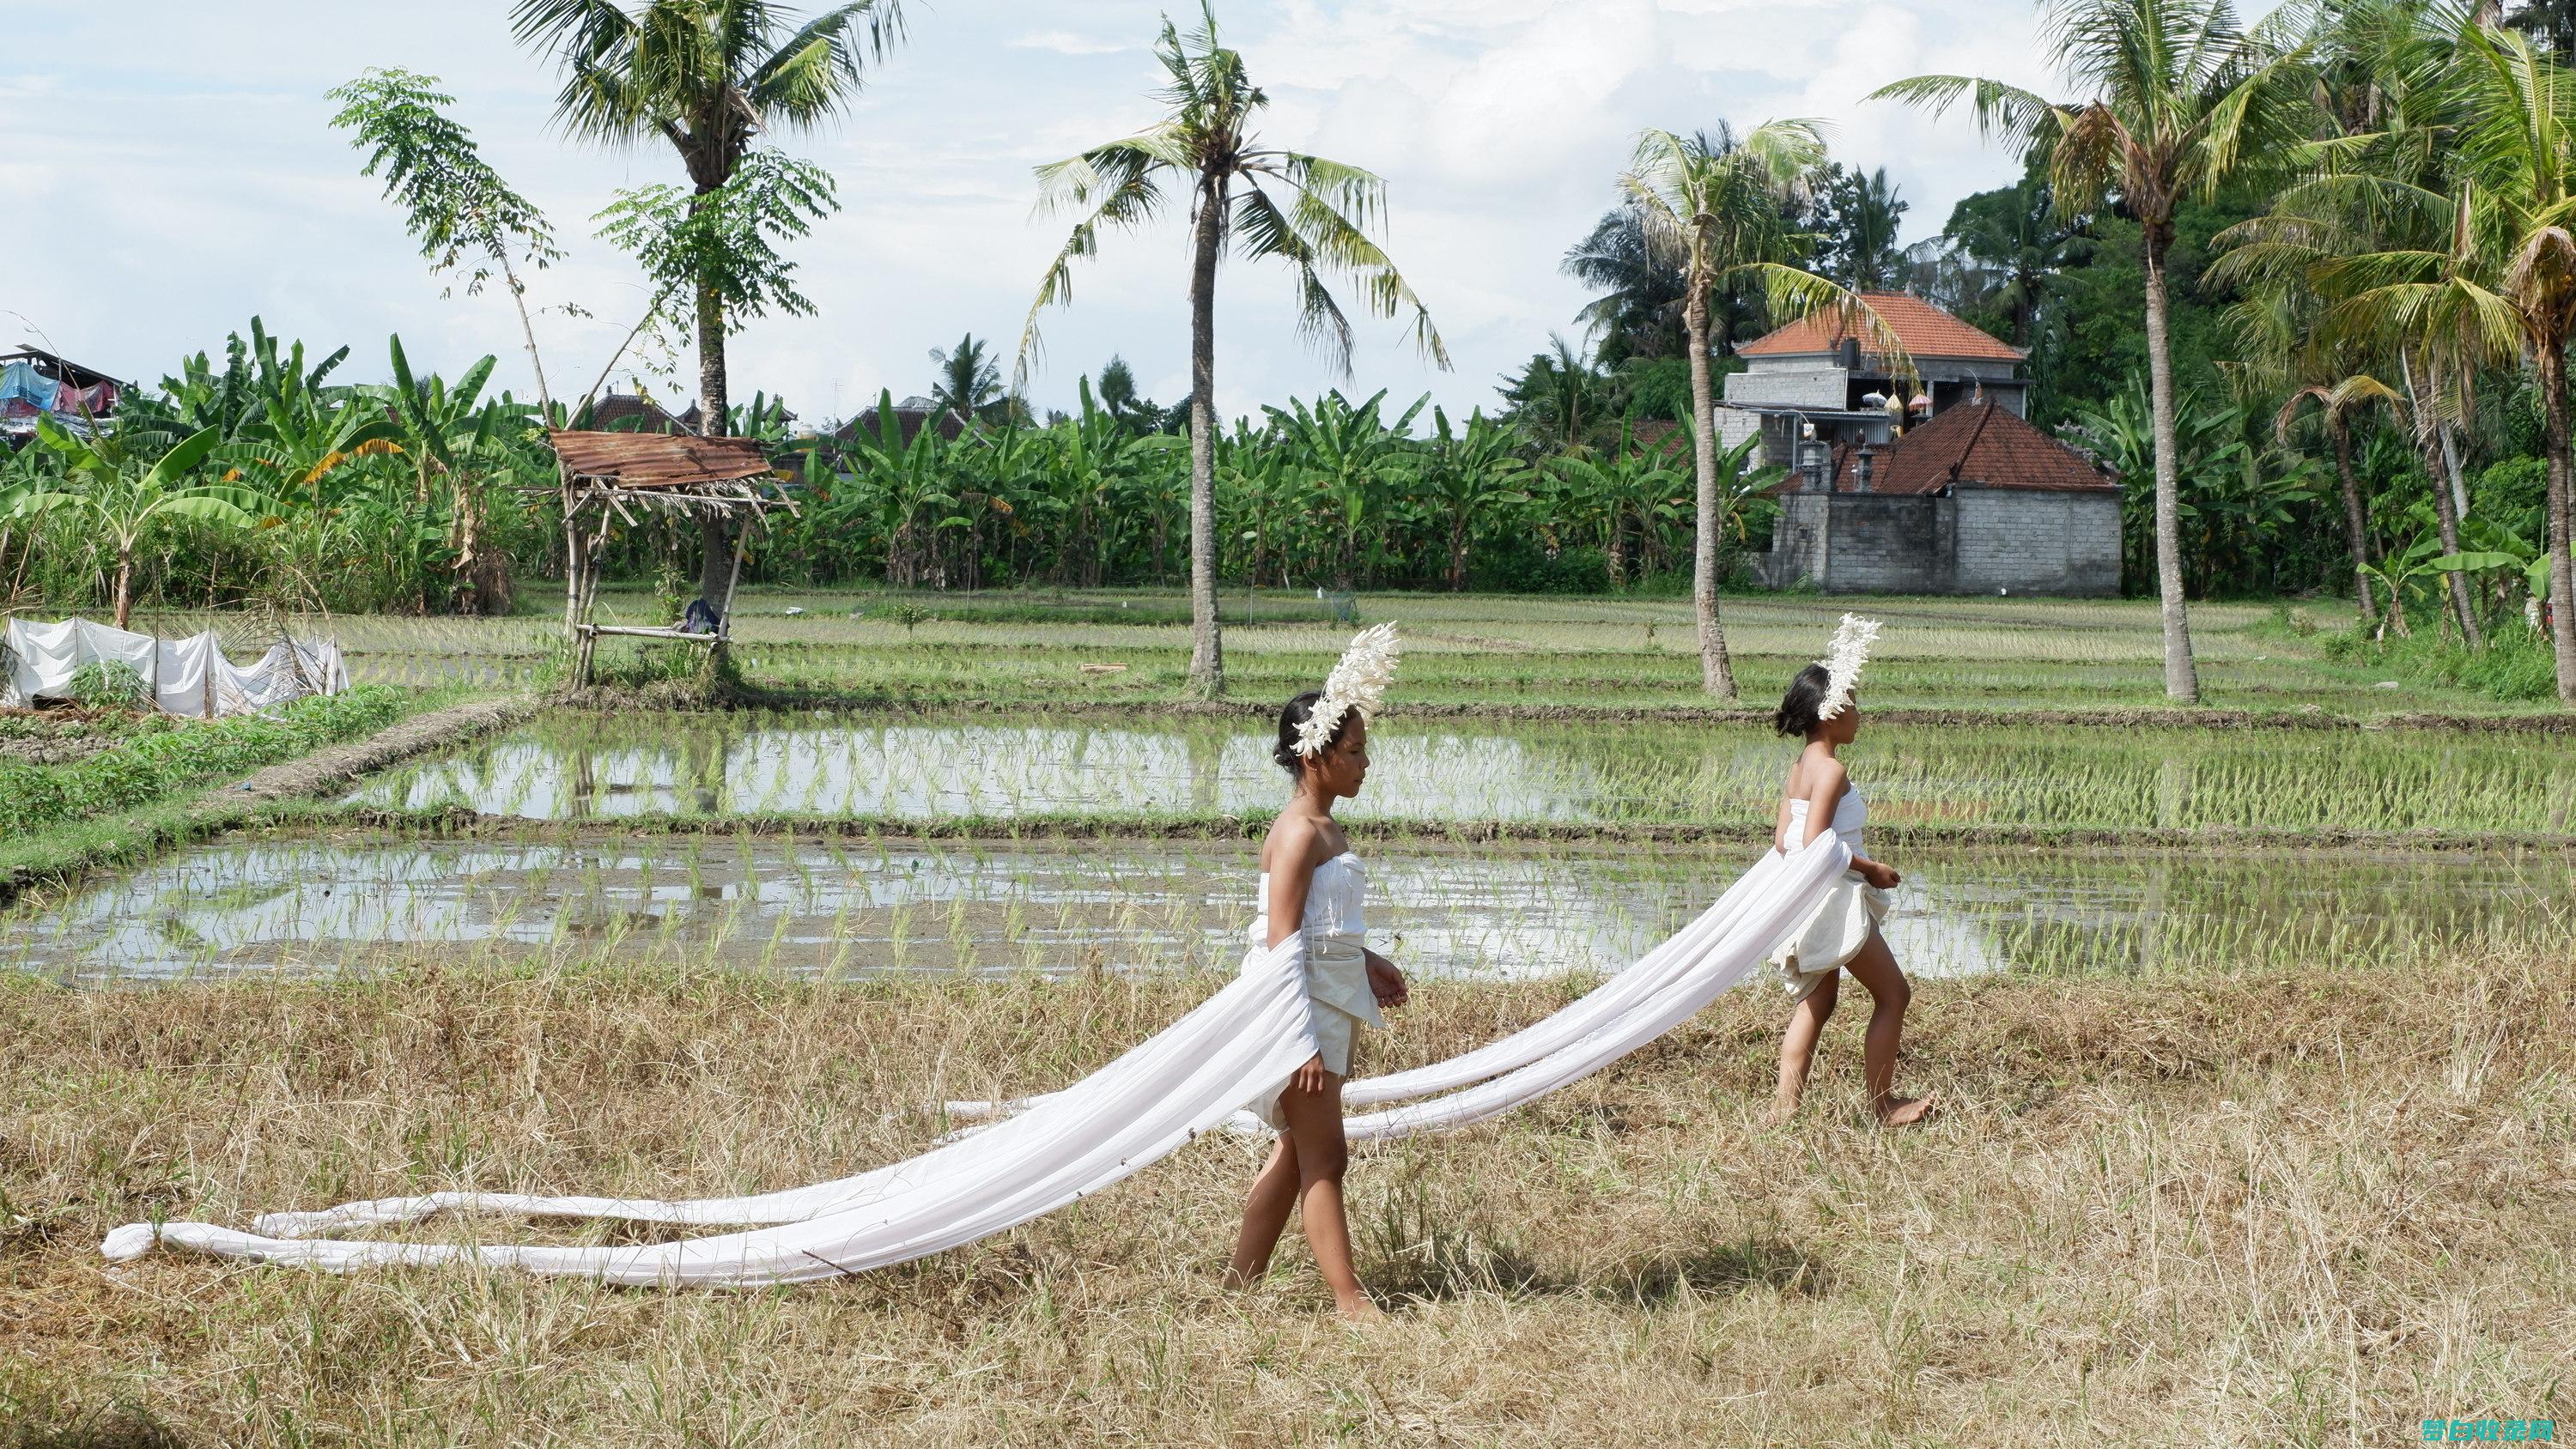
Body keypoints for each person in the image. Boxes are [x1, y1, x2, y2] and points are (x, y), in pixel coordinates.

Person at [1224, 684, 1410, 1319]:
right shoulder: (1299, 833)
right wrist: (1297, 1039)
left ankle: (1239, 1285)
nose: (1364, 764)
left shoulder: (1324, 826)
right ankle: (1349, 1300)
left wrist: (1367, 960)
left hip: (1326, 1003)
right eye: (1354, 752)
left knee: (1299, 1152)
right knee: (1326, 1157)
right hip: (1301, 1012)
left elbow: (1320, 929)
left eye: (1364, 750)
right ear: (1315, 757)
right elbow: (1281, 944)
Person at [1765, 619, 1933, 1127]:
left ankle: (1784, 1110)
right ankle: (1882, 1105)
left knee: (1818, 1004)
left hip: (1808, 898)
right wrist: (1871, 868)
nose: (1860, 714)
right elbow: (1817, 842)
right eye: (1854, 704)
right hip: (1832, 900)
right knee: (1894, 994)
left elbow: (1783, 841)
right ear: (1831, 712)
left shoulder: (1802, 765)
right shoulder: (1832, 770)